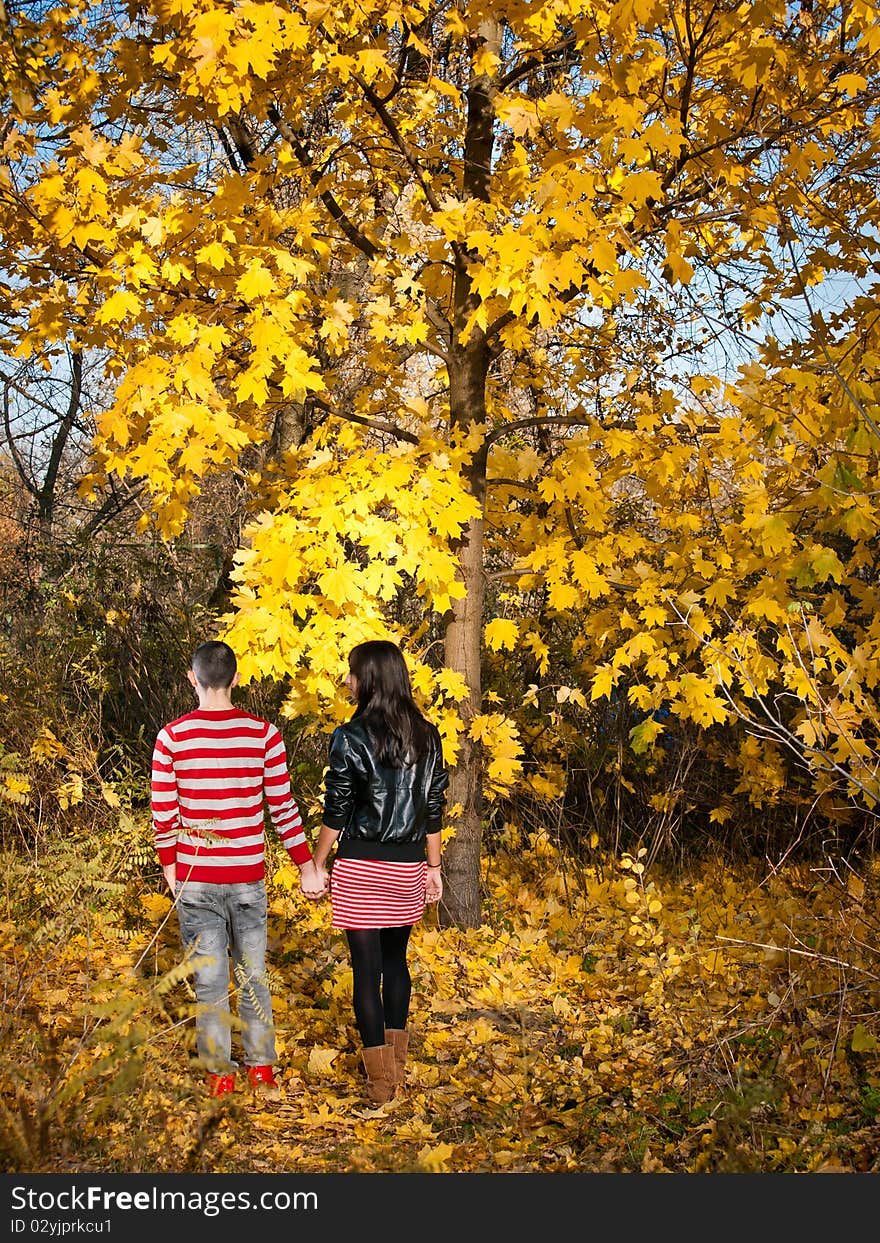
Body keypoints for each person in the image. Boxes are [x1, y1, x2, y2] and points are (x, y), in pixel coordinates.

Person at [151, 639, 325, 1098]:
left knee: (210, 983)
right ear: (236, 677)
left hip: (196, 878)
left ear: (193, 678)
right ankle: (262, 1067)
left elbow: (164, 815)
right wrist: (307, 867)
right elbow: (283, 809)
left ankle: (220, 1075)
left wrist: (171, 870)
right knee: (252, 974)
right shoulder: (263, 736)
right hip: (247, 876)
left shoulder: (171, 739)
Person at [311, 639, 449, 1105]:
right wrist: (434, 867)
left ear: (368, 678)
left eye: (351, 673)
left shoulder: (349, 737)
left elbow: (337, 808)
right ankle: (398, 1068)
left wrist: (317, 861)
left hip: (360, 868)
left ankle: (381, 1084)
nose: (347, 681)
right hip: (408, 864)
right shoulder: (428, 736)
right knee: (397, 964)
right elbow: (433, 807)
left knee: (366, 973)